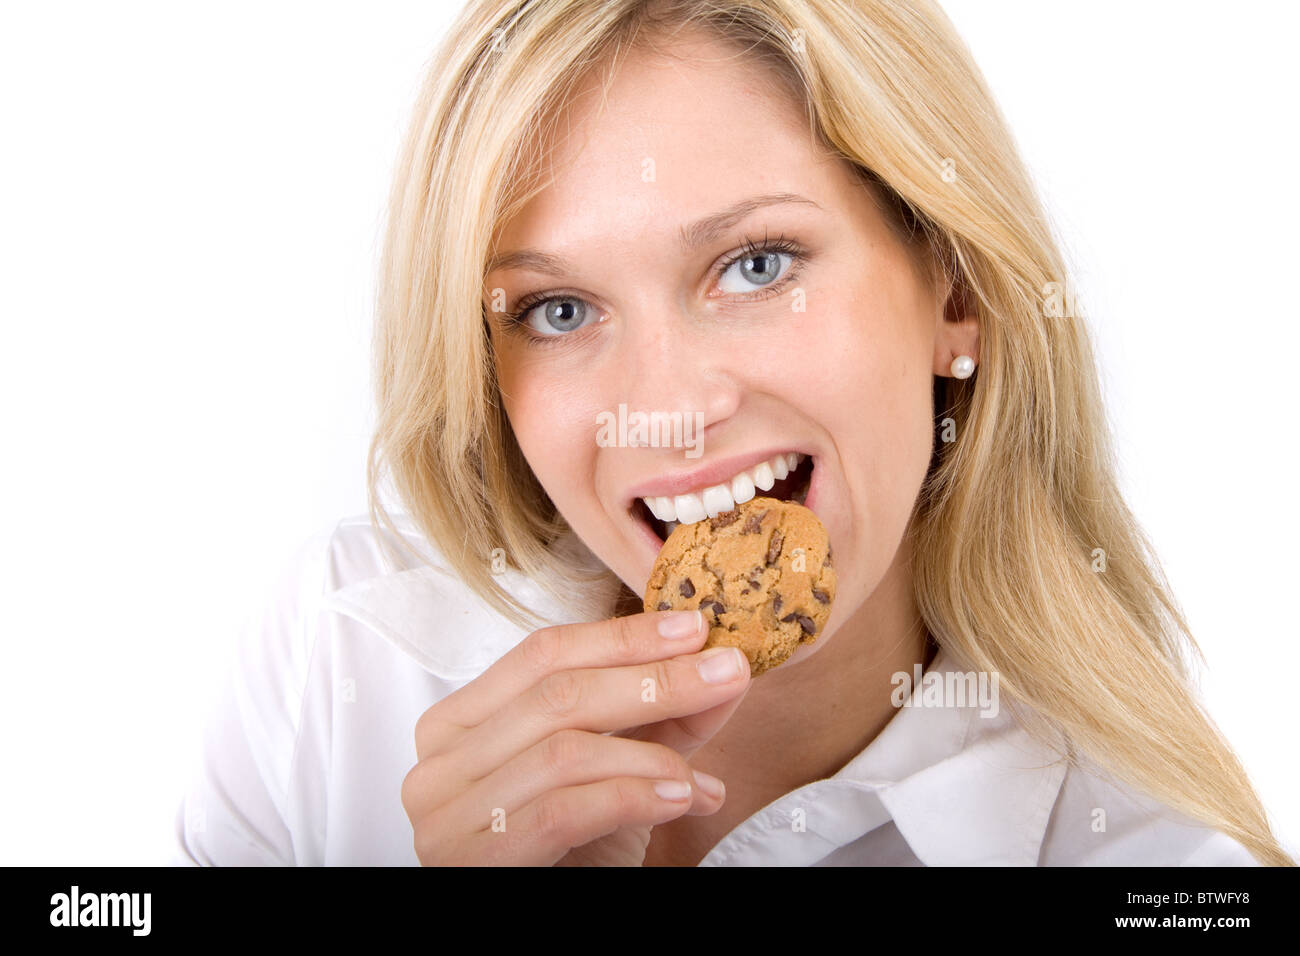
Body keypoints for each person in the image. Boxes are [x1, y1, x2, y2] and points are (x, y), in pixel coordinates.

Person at [170, 0, 1294, 866]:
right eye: (557, 311)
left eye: (756, 265)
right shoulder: (339, 674)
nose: (665, 399)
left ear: (955, 292)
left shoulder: (1153, 863)